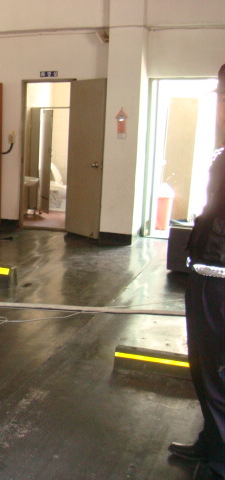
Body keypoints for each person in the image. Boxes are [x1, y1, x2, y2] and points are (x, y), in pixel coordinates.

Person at [168, 64, 225, 480]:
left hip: (219, 279)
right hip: (208, 273)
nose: (219, 106)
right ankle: (211, 442)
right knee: (205, 368)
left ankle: (220, 463)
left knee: (217, 371)